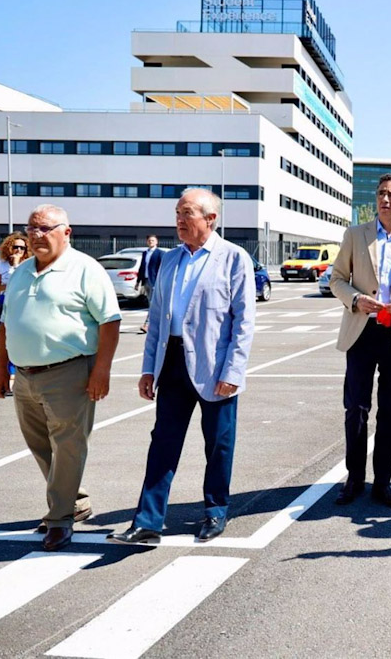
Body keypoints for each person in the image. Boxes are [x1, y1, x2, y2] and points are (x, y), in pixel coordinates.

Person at [110, 188, 256, 545]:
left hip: (214, 365)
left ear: (210, 219)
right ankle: (147, 522)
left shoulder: (233, 258)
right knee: (163, 442)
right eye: (177, 212)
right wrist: (148, 369)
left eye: (187, 213)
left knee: (218, 444)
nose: (179, 219)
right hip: (171, 362)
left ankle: (215, 511)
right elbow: (157, 318)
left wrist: (232, 372)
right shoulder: (169, 260)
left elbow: (244, 322)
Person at [0, 205, 121, 551]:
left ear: (66, 231)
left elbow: (109, 321)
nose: (35, 236)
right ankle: (73, 501)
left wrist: (101, 371)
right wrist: (1, 366)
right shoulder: (21, 273)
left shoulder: (85, 269)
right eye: (31, 229)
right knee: (41, 445)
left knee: (67, 446)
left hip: (69, 373)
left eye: (44, 229)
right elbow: (7, 322)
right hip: (25, 375)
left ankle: (60, 519)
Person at [329, 173, 391, 508]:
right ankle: (354, 479)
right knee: (356, 409)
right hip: (361, 331)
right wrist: (356, 300)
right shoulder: (356, 235)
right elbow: (337, 279)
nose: (385, 200)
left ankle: (383, 483)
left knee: (390, 412)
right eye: (381, 194)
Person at [0, 232, 28, 365]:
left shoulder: (28, 263)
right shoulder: (2, 262)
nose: (19, 250)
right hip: (5, 300)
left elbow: (24, 284)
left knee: (18, 333)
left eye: (22, 248)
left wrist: (15, 265)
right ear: (9, 247)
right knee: (5, 331)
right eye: (16, 247)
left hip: (21, 301)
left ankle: (16, 363)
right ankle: (5, 362)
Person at [137, 234, 164, 334]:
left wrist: (160, 281)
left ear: (156, 242)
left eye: (153, 240)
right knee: (151, 303)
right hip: (146, 281)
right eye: (149, 240)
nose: (151, 242)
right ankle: (157, 324)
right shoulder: (145, 253)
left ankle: (147, 324)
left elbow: (162, 268)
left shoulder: (160, 253)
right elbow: (142, 267)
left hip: (155, 282)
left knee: (152, 303)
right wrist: (138, 282)